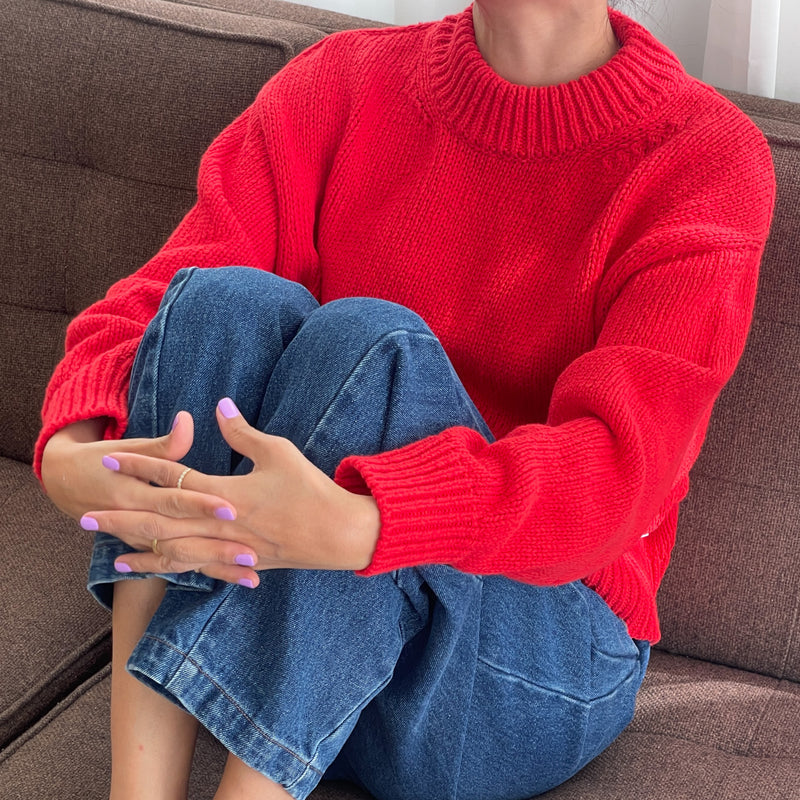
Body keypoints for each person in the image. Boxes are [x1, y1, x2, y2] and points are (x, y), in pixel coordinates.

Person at [37, 0, 775, 798]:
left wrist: (360, 524)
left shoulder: (705, 158)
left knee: (369, 346)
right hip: (287, 625)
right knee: (222, 303)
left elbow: (615, 473)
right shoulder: (335, 84)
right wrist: (74, 450)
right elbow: (159, 308)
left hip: (527, 661)